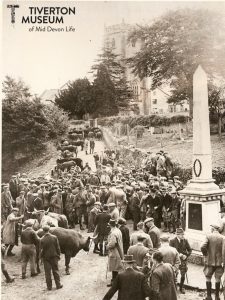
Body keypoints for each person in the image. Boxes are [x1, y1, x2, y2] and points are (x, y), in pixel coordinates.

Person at [201, 224, 225, 300]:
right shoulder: (223, 238)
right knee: (218, 278)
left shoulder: (208, 236)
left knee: (208, 277)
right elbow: (224, 251)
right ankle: (217, 297)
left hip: (209, 262)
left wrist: (205, 255)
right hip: (219, 263)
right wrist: (223, 261)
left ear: (213, 229)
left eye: (211, 228)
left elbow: (202, 246)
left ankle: (209, 296)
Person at [169, 227, 192, 294]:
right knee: (174, 274)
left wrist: (186, 255)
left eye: (183, 234)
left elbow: (190, 250)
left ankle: (181, 287)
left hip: (183, 261)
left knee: (183, 275)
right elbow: (171, 251)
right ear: (177, 235)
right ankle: (174, 287)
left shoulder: (185, 240)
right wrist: (179, 255)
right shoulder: (172, 241)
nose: (183, 236)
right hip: (175, 260)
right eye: (181, 235)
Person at [40, 225, 63, 291]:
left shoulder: (42, 239)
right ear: (49, 230)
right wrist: (58, 255)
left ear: (43, 231)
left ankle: (49, 287)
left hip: (46, 258)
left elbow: (41, 250)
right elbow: (58, 248)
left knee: (47, 273)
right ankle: (58, 285)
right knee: (55, 271)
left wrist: (41, 258)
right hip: (54, 257)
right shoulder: (54, 237)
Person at [106, 219, 124, 287]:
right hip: (119, 251)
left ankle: (114, 283)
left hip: (114, 252)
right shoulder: (118, 230)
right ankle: (115, 281)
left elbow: (112, 244)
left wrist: (107, 246)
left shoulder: (113, 233)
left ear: (110, 225)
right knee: (116, 268)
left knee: (114, 268)